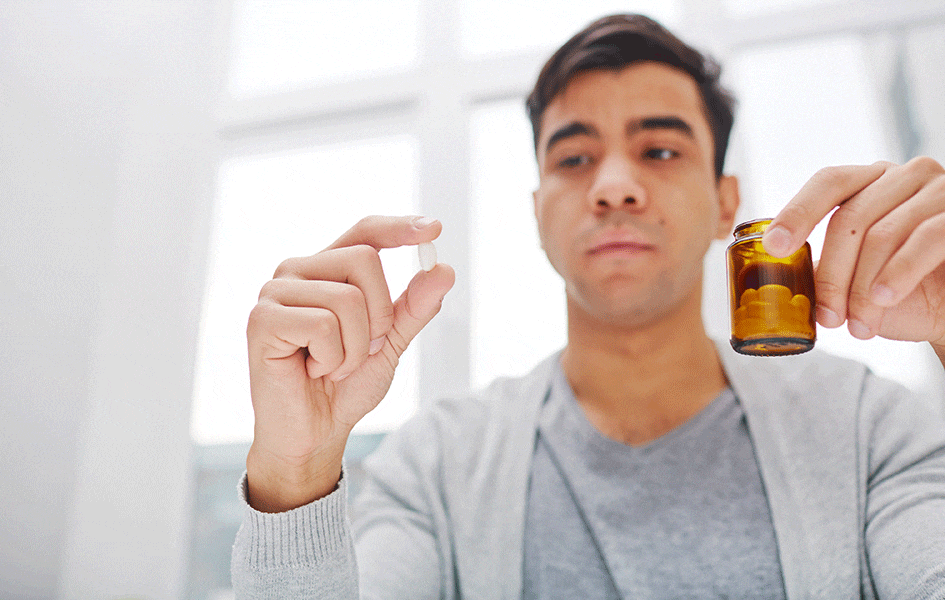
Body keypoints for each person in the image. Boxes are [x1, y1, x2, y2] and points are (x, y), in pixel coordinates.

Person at [231, 13, 945, 599]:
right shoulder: (439, 463)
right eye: (573, 159)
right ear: (539, 210)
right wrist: (295, 474)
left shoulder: (867, 428)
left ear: (727, 201)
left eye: (660, 150)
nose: (613, 187)